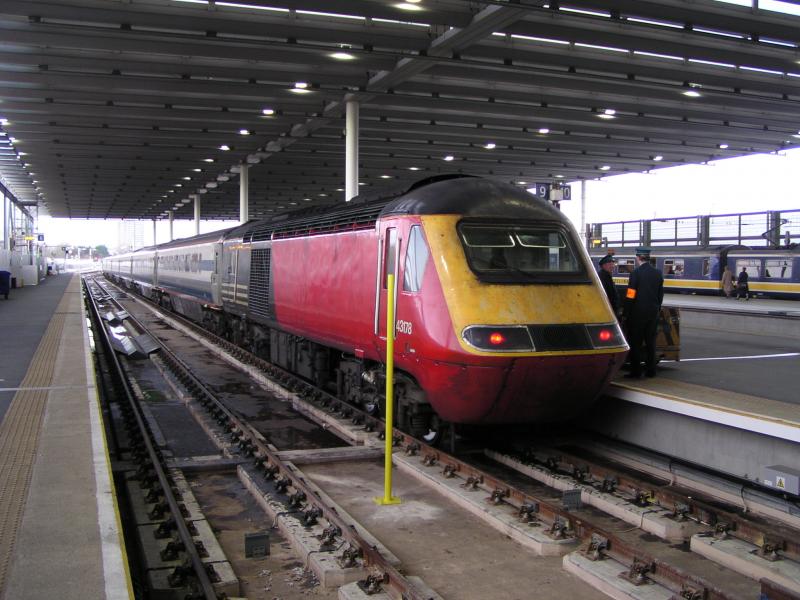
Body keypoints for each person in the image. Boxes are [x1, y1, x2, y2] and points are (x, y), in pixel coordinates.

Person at [623, 247, 664, 378]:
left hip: (638, 314)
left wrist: (626, 312)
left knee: (636, 342)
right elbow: (660, 294)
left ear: (638, 258)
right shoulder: (658, 273)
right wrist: (657, 308)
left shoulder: (636, 273)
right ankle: (651, 371)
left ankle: (636, 372)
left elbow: (631, 294)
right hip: (653, 313)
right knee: (651, 342)